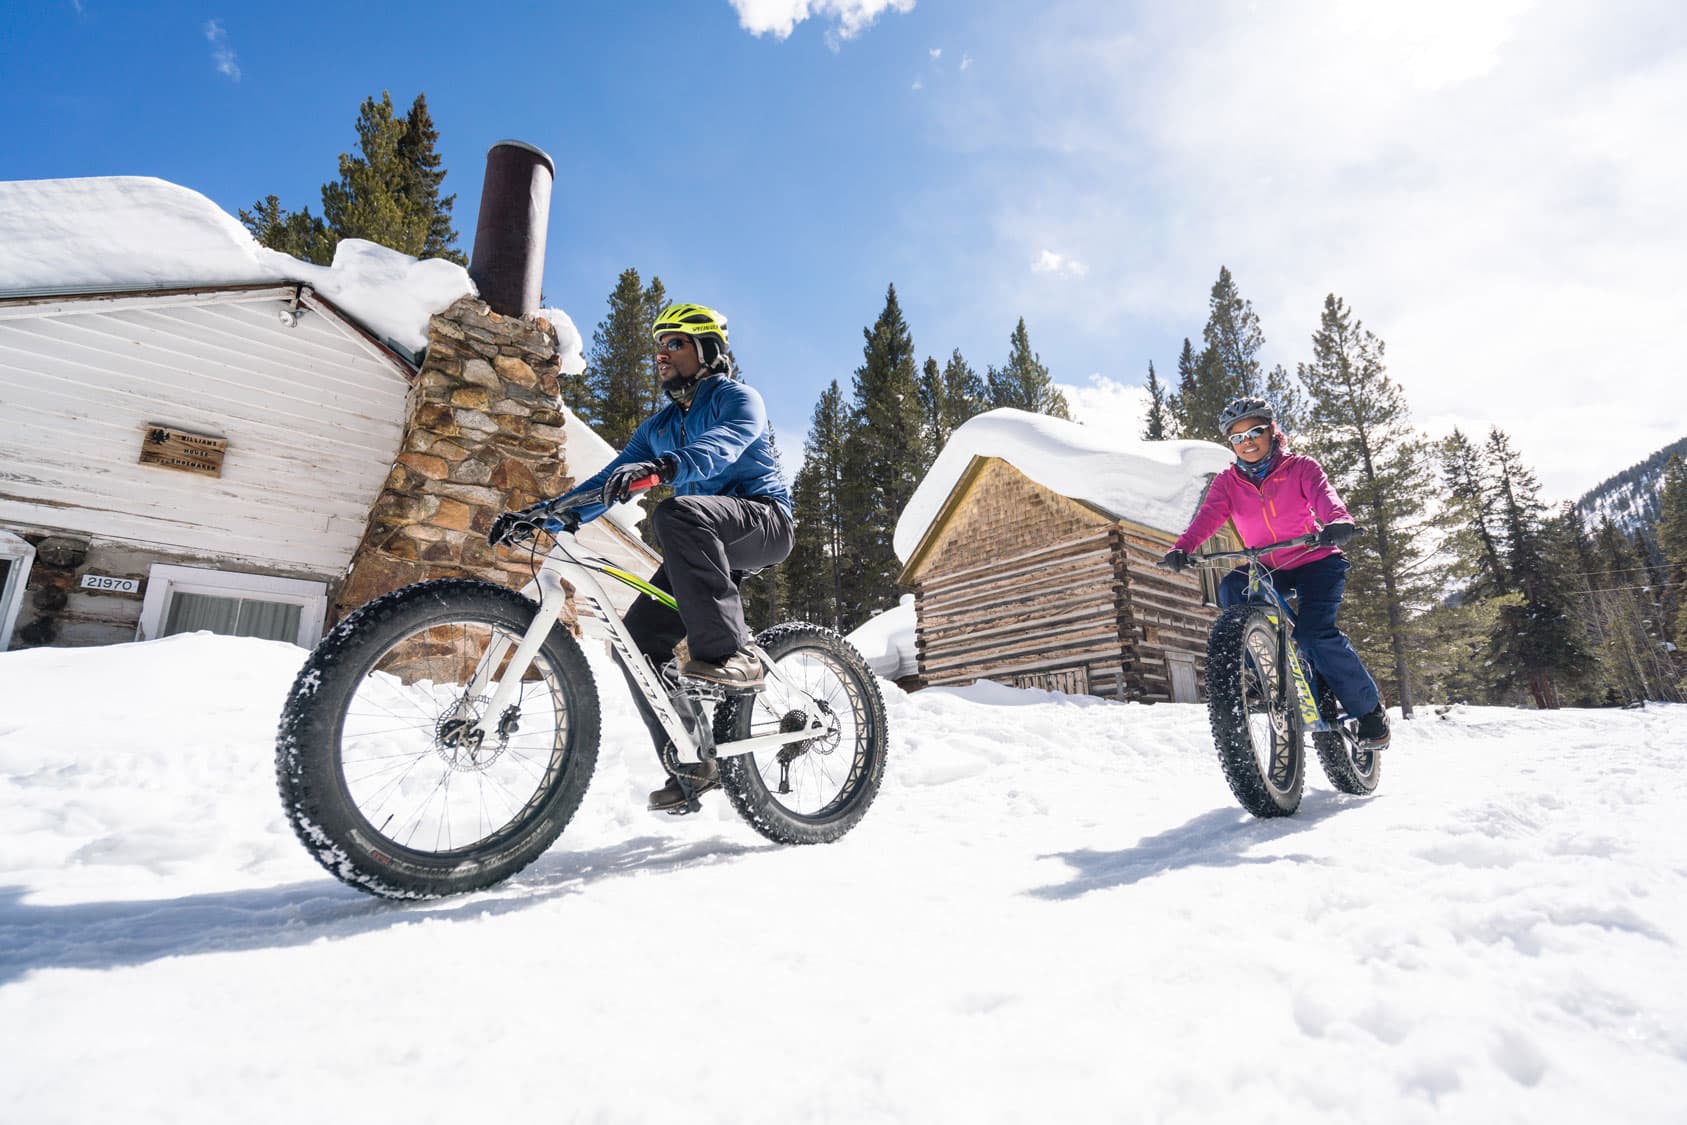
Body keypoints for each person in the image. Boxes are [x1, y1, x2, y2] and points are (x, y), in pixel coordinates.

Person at [490, 301, 795, 810]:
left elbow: (724, 443)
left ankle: (731, 654)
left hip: (762, 520)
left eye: (674, 343)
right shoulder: (656, 428)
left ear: (708, 351)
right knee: (636, 640)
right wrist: (543, 515)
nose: (661, 354)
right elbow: (604, 484)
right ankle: (695, 764)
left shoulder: (737, 398)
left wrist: (668, 467)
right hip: (704, 538)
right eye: (658, 346)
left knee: (677, 513)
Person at [1157, 397, 1390, 749]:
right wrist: (1182, 548)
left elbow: (1325, 495)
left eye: (1254, 431)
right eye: (1237, 437)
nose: (1247, 441)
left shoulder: (1300, 468)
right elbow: (1207, 518)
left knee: (1314, 635)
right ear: (1230, 444)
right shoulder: (1227, 483)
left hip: (1316, 559)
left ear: (1271, 431)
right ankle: (1264, 671)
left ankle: (1370, 712)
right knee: (1232, 589)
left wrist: (1338, 521)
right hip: (1268, 565)